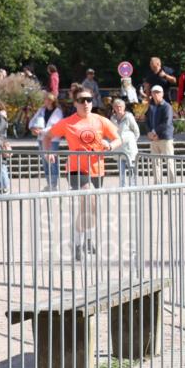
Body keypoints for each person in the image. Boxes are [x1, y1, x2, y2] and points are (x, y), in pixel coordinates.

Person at [44, 86, 121, 260]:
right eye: (81, 100)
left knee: (90, 208)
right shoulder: (68, 122)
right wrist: (48, 152)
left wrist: (110, 145)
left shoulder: (100, 120)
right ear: (75, 103)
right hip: (75, 168)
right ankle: (80, 242)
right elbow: (47, 136)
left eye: (89, 100)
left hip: (97, 168)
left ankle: (84, 240)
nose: (86, 103)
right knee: (89, 198)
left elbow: (118, 138)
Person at [28, 92, 64, 191]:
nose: (45, 101)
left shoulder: (58, 112)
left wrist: (41, 131)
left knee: (52, 162)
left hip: (53, 140)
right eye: (44, 99)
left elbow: (55, 126)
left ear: (52, 101)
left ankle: (54, 184)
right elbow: (32, 121)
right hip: (41, 139)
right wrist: (32, 129)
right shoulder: (41, 110)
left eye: (46, 99)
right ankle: (49, 184)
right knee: (45, 162)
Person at [146, 85, 176, 184]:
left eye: (158, 92)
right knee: (155, 163)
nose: (156, 94)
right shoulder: (151, 107)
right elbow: (147, 121)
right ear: (151, 94)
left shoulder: (167, 106)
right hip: (154, 138)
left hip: (165, 137)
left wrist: (154, 132)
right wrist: (149, 133)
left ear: (162, 94)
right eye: (154, 92)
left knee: (169, 161)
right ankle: (157, 184)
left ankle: (172, 184)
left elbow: (166, 122)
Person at [109, 98, 140, 186]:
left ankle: (132, 186)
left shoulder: (129, 116)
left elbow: (136, 131)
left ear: (124, 107)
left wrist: (132, 141)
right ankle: (122, 186)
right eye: (116, 106)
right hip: (118, 148)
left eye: (120, 106)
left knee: (131, 168)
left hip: (129, 148)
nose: (118, 108)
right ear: (114, 108)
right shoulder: (112, 118)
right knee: (121, 170)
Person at [0, 102, 9, 193]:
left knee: (1, 165)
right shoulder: (1, 117)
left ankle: (4, 186)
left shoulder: (1, 117)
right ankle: (2, 186)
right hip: (0, 143)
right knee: (1, 165)